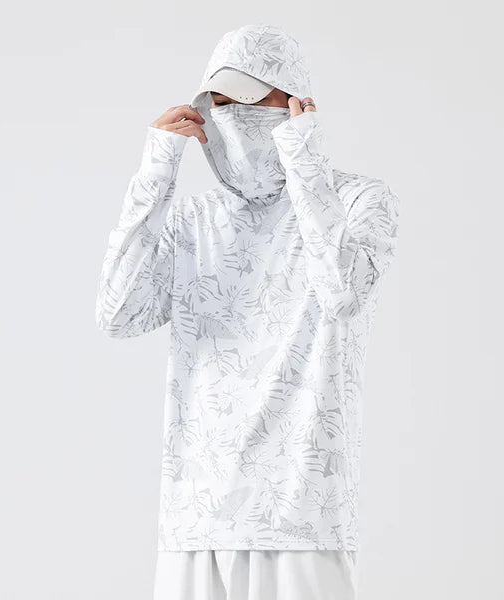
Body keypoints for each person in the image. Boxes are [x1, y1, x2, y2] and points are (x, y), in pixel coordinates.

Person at [95, 23, 400, 600]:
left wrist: (304, 157)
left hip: (304, 516)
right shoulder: (193, 220)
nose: (235, 114)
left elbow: (341, 293)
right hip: (195, 517)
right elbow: (119, 313)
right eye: (222, 101)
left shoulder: (359, 200)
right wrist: (156, 173)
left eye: (254, 98)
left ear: (296, 103)